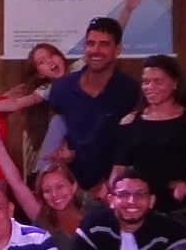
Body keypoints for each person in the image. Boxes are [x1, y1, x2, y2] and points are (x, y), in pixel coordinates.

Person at [43, 17, 142, 193]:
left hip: (113, 189)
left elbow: (133, 143)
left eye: (104, 44)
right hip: (69, 189)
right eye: (91, 44)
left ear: (117, 50)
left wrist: (113, 184)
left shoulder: (129, 89)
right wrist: (61, 150)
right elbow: (55, 131)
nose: (96, 50)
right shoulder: (62, 88)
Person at [114, 55, 186, 206]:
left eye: (158, 82)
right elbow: (119, 168)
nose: (150, 87)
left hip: (183, 206)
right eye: (146, 82)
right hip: (141, 205)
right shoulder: (129, 122)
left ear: (175, 83)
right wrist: (114, 192)